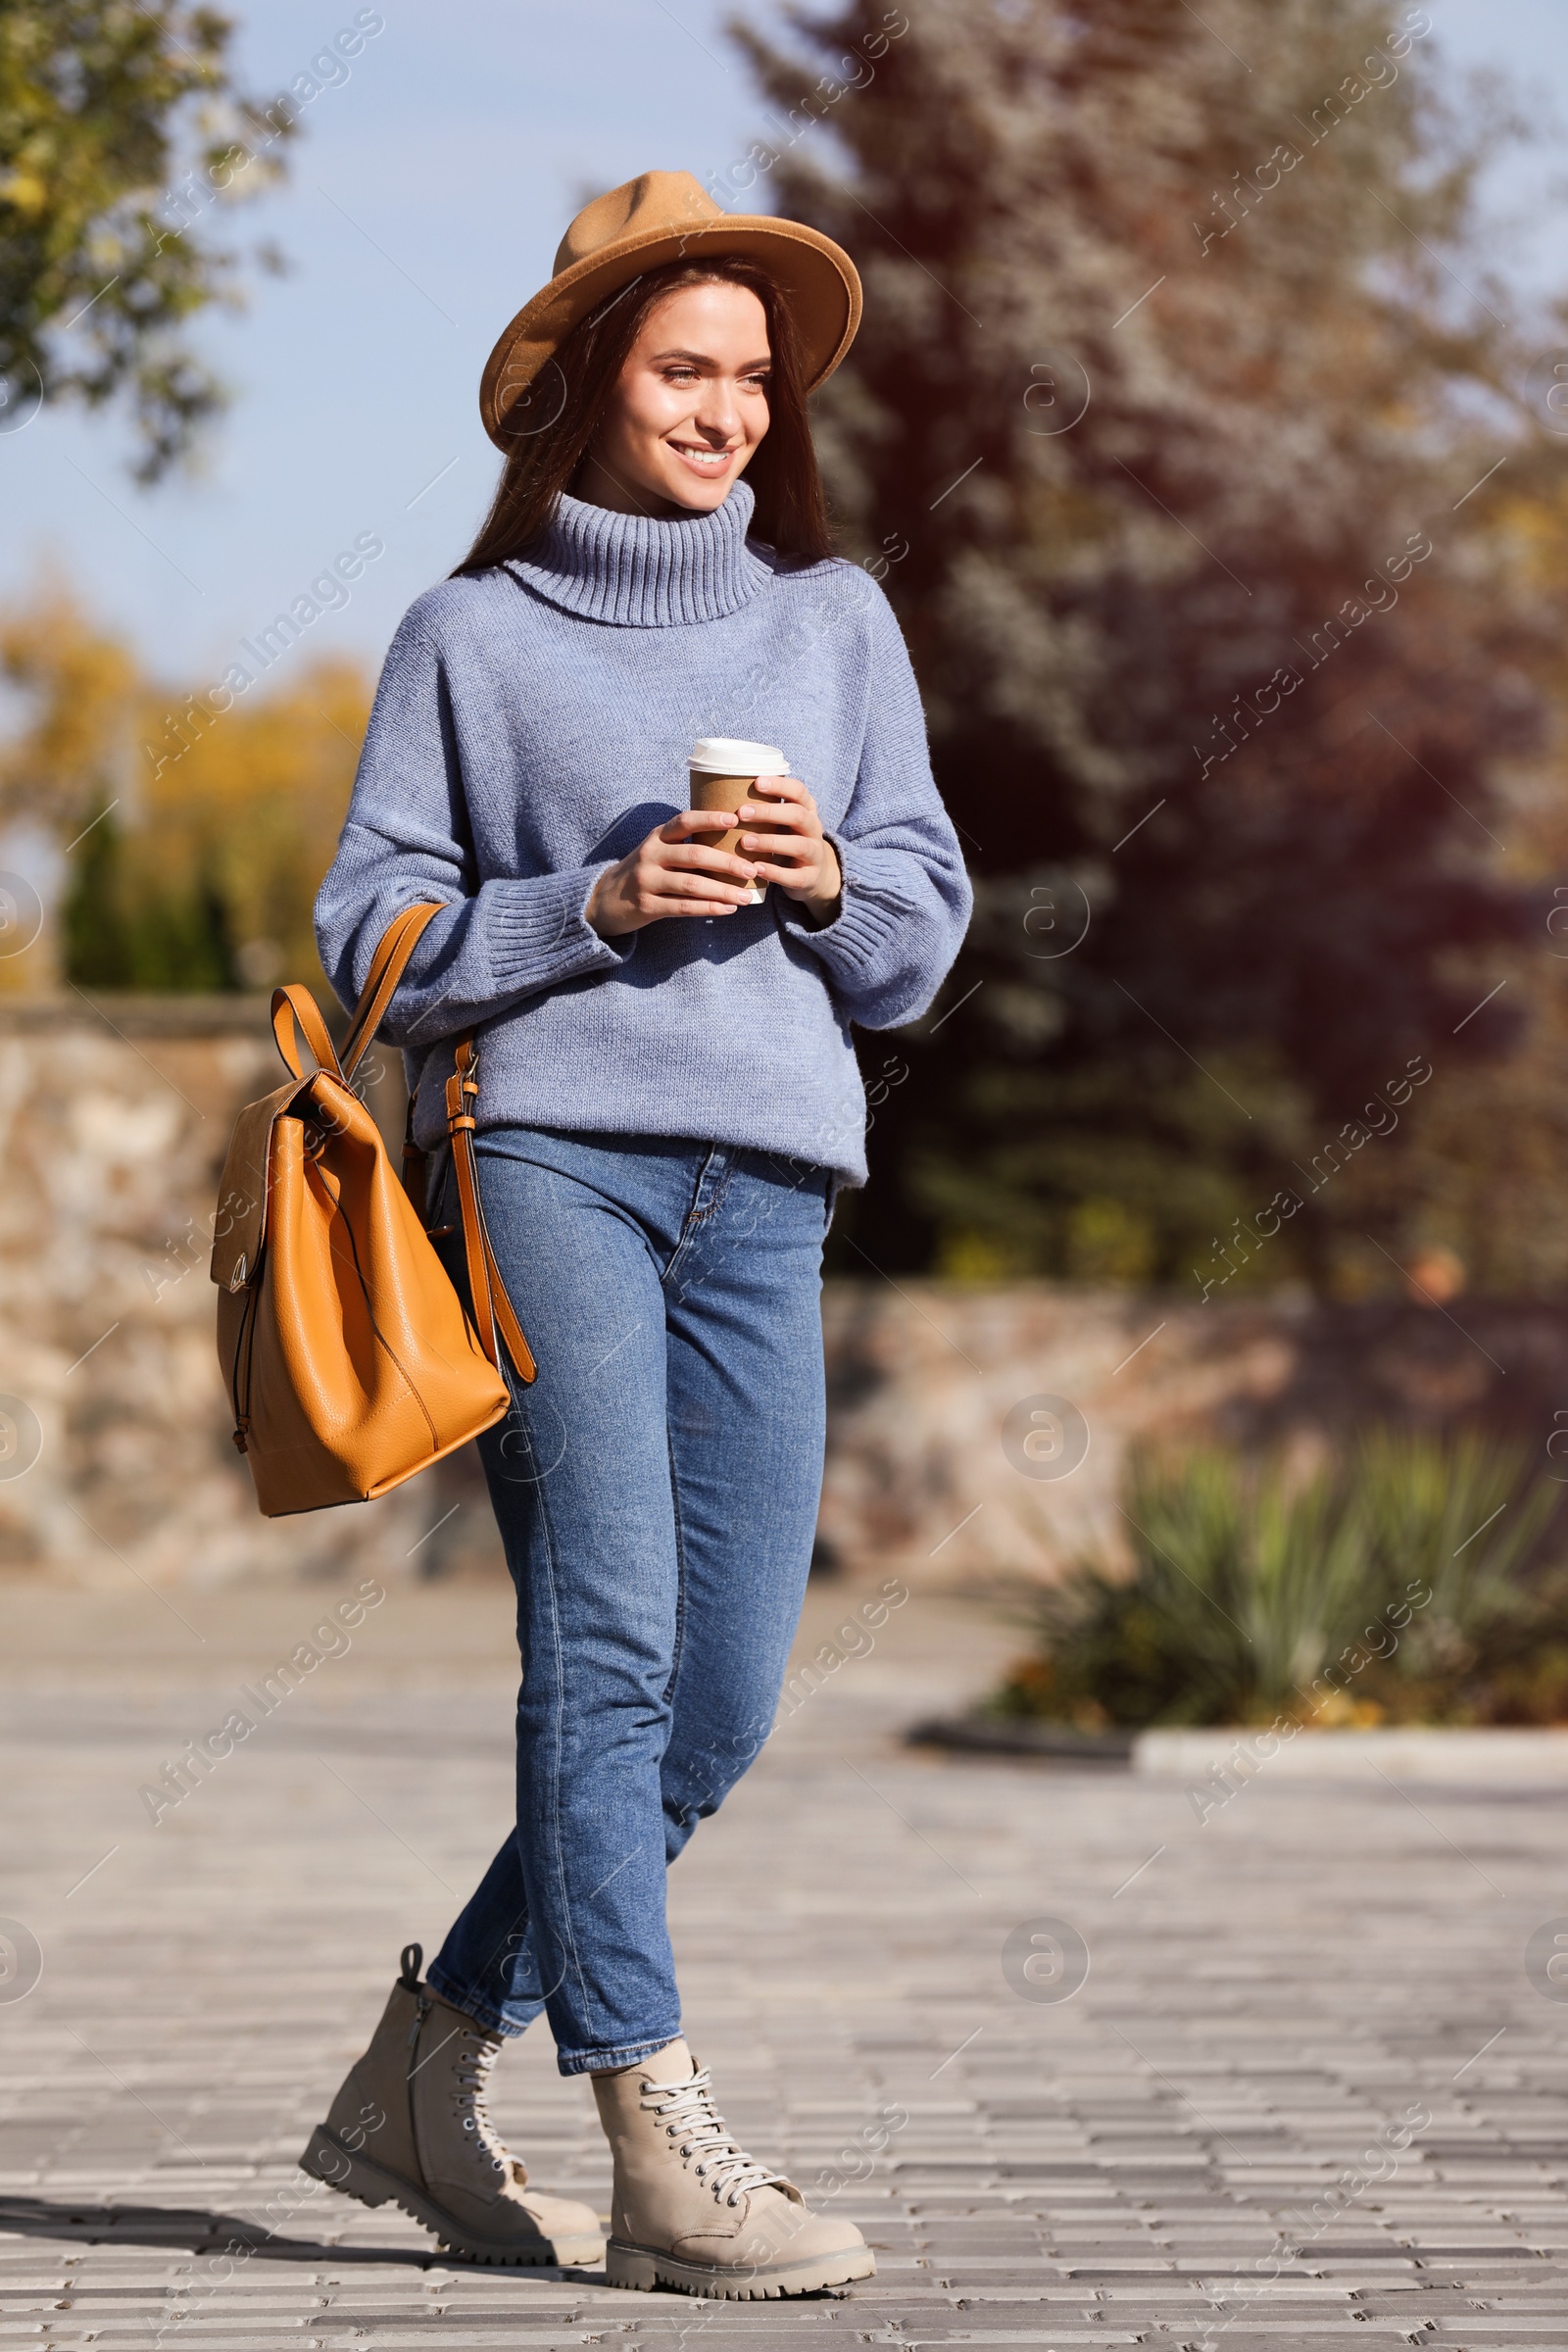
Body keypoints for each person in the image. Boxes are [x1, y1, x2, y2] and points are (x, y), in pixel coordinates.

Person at [301, 171, 971, 2299]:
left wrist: (818, 879)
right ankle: (659, 2151)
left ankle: (421, 2066)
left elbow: (919, 942)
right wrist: (587, 906)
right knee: (600, 1645)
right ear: (587, 386)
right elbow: (371, 940)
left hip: (765, 1190)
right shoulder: (465, 640)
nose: (728, 415)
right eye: (685, 371)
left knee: (721, 1700)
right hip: (549, 1166)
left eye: (752, 381)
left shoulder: (833, 622)